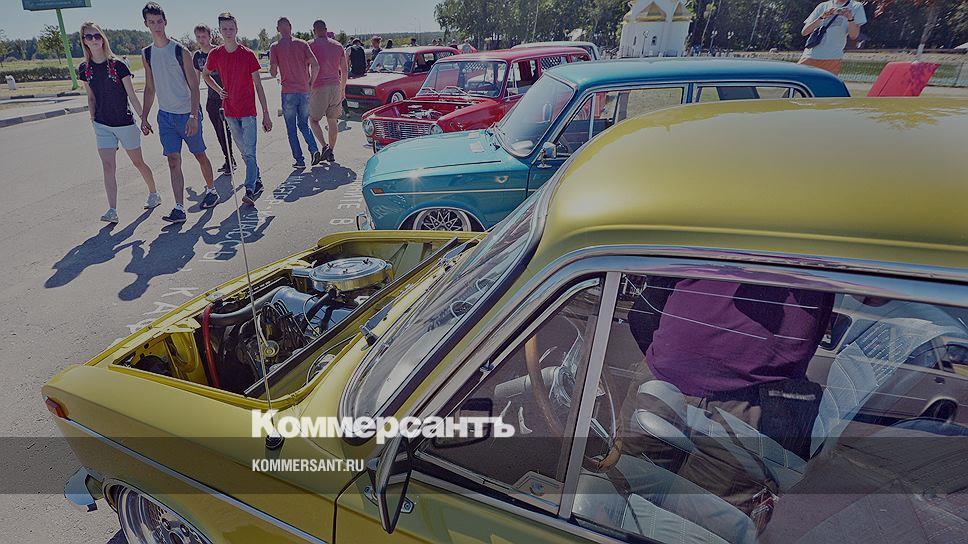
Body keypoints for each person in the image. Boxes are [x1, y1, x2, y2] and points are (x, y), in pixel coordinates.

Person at [141, 2, 218, 224]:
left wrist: (193, 116)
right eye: (152, 22)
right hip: (165, 117)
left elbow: (194, 86)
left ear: (165, 22)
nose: (156, 26)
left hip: (187, 114)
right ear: (146, 24)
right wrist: (144, 116)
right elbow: (149, 87)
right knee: (173, 160)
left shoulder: (179, 51)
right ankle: (179, 207)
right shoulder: (147, 53)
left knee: (199, 154)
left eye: (159, 21)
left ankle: (211, 190)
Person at [78, 21, 159, 224]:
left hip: (124, 123)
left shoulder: (118, 65)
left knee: (138, 162)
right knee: (108, 166)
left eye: (97, 35)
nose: (94, 40)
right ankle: (112, 210)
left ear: (103, 38)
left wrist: (144, 119)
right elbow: (91, 97)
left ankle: (153, 193)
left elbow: (131, 95)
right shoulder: (84, 69)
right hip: (102, 125)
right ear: (84, 41)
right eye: (89, 36)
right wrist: (93, 119)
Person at [203, 12, 273, 205]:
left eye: (231, 28)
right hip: (230, 111)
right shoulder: (215, 54)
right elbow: (205, 75)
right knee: (244, 152)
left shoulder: (248, 55)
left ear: (236, 30)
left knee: (249, 152)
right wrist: (219, 90)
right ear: (219, 31)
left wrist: (266, 113)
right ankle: (257, 180)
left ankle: (249, 189)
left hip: (248, 111)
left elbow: (258, 85)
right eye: (224, 29)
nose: (228, 32)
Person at [269, 17, 320, 169]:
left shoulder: (275, 47)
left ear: (278, 29)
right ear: (291, 27)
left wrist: (276, 66)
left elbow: (272, 72)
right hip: (304, 90)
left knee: (291, 129)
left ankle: (299, 160)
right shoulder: (302, 44)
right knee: (304, 124)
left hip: (288, 92)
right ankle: (314, 149)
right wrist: (310, 82)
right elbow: (316, 65)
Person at [192, 23, 233, 174]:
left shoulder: (219, 51)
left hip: (225, 96)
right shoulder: (197, 56)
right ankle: (228, 159)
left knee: (225, 131)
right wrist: (194, 102)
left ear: (210, 37)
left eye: (204, 36)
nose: (201, 39)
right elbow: (196, 81)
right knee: (218, 131)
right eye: (198, 37)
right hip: (212, 99)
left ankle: (230, 160)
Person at [308, 20, 347, 163]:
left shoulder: (309, 45)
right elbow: (344, 70)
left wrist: (308, 85)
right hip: (335, 86)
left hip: (318, 86)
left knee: (313, 120)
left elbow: (305, 67)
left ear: (314, 31)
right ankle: (331, 151)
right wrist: (342, 89)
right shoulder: (338, 45)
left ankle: (324, 146)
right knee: (332, 120)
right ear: (326, 29)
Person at [799, 0, 866, 75]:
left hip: (833, 58)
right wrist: (822, 17)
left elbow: (853, 35)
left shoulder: (856, 6)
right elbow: (804, 32)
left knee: (827, 82)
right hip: (810, 55)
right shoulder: (823, 6)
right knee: (797, 81)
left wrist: (850, 19)